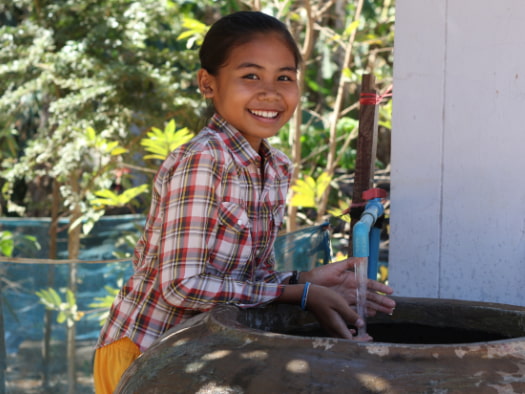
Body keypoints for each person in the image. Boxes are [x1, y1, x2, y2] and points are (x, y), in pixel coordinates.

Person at [93, 10, 395, 393]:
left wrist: (305, 279)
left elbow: (247, 280)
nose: (270, 92)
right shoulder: (204, 160)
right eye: (250, 76)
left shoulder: (276, 167)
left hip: (203, 354)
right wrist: (299, 295)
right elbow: (182, 286)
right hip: (146, 353)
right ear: (207, 83)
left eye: (284, 77)